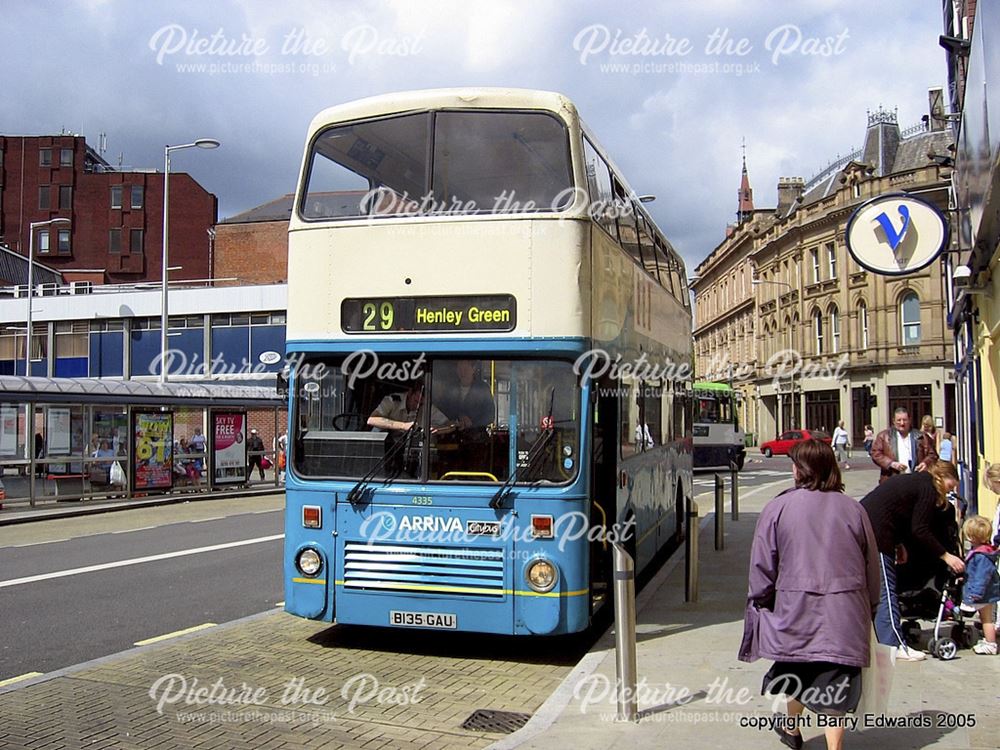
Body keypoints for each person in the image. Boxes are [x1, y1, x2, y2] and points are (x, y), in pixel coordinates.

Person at [739, 439, 879, 750]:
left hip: (795, 609)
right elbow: (872, 565)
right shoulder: (854, 509)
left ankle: (791, 729)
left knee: (796, 668)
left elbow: (763, 565)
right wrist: (871, 607)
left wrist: (760, 603)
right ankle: (830, 745)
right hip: (845, 610)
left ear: (801, 470)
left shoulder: (778, 507)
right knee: (837, 683)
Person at [860, 461, 966, 660]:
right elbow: (920, 529)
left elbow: (900, 513)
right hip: (876, 534)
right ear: (942, 476)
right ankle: (894, 645)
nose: (951, 490)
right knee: (886, 591)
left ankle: (880, 639)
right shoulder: (928, 487)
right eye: (951, 485)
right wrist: (946, 556)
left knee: (876, 589)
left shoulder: (918, 482)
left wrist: (899, 544)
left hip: (870, 527)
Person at [958, 515, 1000, 655]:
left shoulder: (981, 556)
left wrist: (975, 594)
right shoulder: (981, 552)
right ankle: (989, 641)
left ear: (972, 537)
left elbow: (982, 576)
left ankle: (991, 644)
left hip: (984, 593)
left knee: (987, 619)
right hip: (986, 592)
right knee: (985, 618)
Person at [869, 407, 938, 485]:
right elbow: (875, 453)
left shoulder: (921, 436)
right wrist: (891, 464)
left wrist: (925, 463)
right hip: (892, 480)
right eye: (899, 420)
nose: (902, 423)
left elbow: (933, 455)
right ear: (893, 421)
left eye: (905, 420)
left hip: (915, 480)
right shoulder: (884, 436)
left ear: (909, 420)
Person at [435, 360, 495, 430]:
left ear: (473, 369)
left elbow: (490, 416)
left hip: (476, 437)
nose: (462, 372)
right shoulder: (450, 388)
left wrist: (472, 423)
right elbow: (442, 410)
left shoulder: (483, 388)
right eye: (460, 369)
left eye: (465, 369)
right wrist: (456, 418)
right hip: (452, 435)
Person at [367, 383, 448, 433]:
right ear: (409, 393)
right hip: (384, 448)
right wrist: (403, 426)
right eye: (416, 401)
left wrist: (435, 429)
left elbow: (449, 424)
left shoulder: (426, 406)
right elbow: (372, 419)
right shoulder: (392, 400)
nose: (417, 406)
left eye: (421, 404)